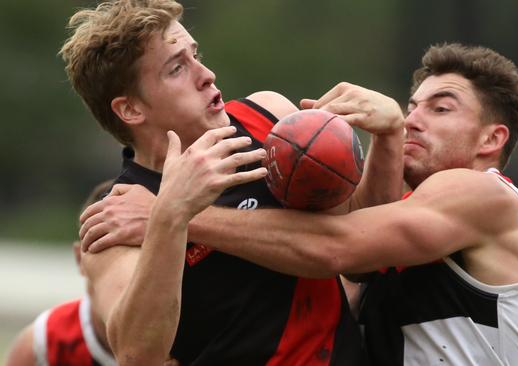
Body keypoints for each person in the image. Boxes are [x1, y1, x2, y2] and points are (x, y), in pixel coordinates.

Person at [81, 43, 518, 365]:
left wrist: (175, 215)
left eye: (440, 108)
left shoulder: (482, 193)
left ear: (493, 137)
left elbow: (335, 250)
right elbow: (350, 273)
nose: (413, 118)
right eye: (412, 106)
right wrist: (387, 140)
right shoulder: (405, 216)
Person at [61, 0, 404, 364]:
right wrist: (168, 219)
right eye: (177, 68)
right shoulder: (114, 219)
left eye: (196, 54)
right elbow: (138, 356)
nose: (206, 74)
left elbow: (363, 258)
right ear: (130, 109)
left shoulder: (271, 119)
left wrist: (388, 137)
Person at [4, 180, 117, 366]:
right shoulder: (42, 347)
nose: (123, 272)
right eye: (106, 252)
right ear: (79, 259)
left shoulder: (180, 338)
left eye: (141, 253)